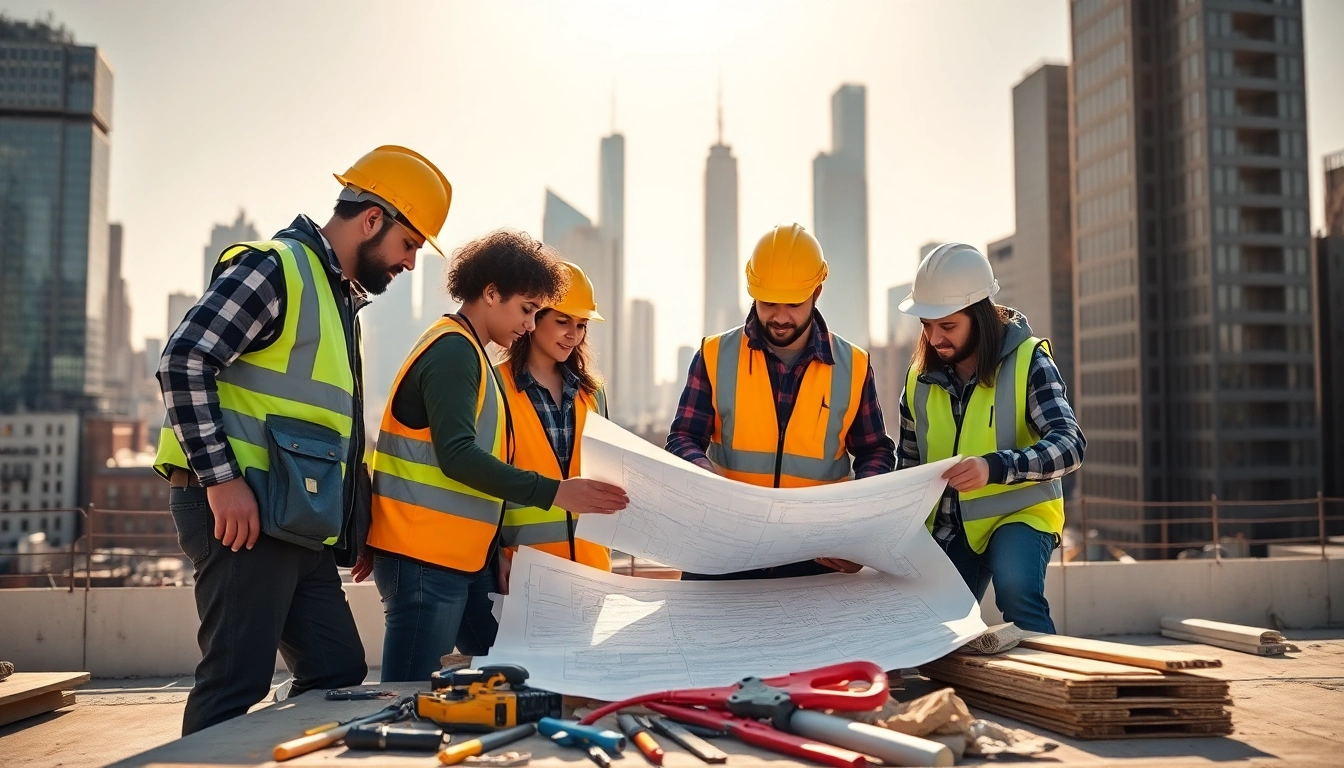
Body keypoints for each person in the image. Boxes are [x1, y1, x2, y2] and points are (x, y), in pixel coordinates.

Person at [155, 145, 452, 734]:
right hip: (241, 513)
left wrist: (353, 520)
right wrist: (221, 481)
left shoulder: (338, 300)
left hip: (296, 518)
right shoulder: (277, 269)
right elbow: (184, 360)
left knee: (336, 669)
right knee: (234, 681)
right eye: (409, 243)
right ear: (372, 220)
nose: (411, 261)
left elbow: (333, 428)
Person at [363, 231, 629, 683]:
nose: (528, 324)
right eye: (528, 310)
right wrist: (555, 493)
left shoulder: (471, 354)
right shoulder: (455, 351)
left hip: (463, 560)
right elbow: (457, 456)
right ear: (490, 294)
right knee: (407, 692)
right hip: (426, 556)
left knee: (510, 676)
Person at [666, 223, 896, 580]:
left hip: (816, 557)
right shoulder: (715, 355)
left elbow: (875, 453)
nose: (780, 316)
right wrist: (704, 476)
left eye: (793, 304)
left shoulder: (853, 366)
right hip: (722, 548)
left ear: (816, 293)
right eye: (769, 302)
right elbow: (682, 438)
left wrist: (856, 535)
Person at [895, 243, 1086, 634]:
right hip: (951, 525)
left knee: (1017, 591)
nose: (934, 338)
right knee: (934, 627)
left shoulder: (1029, 361)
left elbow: (1070, 444)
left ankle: (1048, 673)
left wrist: (995, 467)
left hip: (1020, 514)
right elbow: (908, 464)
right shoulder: (918, 380)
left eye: (947, 326)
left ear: (979, 316)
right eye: (927, 326)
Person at [496, 261, 614, 574]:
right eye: (563, 321)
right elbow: (483, 480)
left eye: (582, 325)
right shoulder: (496, 386)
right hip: (523, 571)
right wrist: (495, 556)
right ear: (533, 318)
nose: (573, 335)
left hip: (592, 572)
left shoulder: (593, 394)